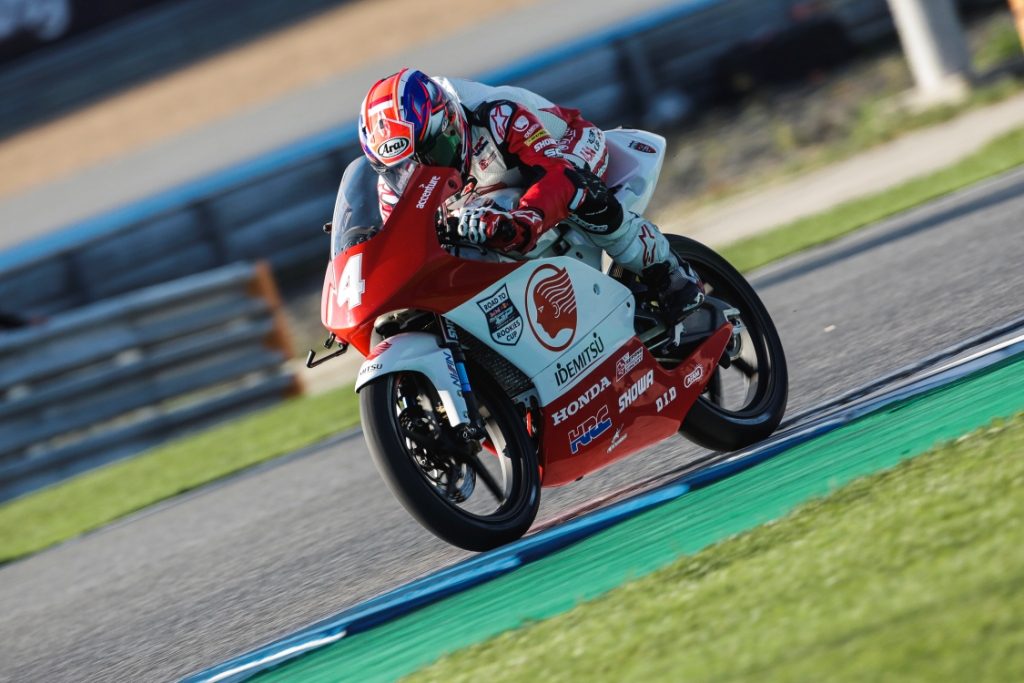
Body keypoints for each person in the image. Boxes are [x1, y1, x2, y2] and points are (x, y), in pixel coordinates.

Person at [357, 68, 704, 321]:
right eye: (402, 168)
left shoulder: (495, 113)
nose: (421, 171)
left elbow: (557, 176)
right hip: (487, 191)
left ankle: (667, 271)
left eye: (431, 152)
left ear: (450, 122)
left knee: (570, 188)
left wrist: (523, 220)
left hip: (564, 146)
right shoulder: (394, 183)